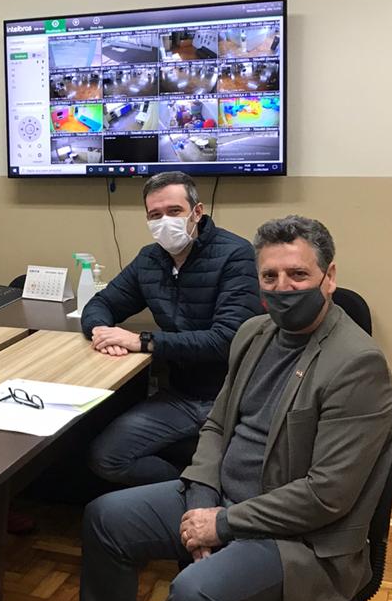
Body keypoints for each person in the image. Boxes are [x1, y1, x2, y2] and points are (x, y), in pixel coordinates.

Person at [49, 216, 392, 601]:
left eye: (299, 274)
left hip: (303, 543)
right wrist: (199, 506)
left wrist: (224, 525)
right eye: (271, 276)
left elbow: (327, 497)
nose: (283, 287)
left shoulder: (357, 364)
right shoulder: (255, 334)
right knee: (106, 517)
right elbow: (216, 429)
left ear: (330, 277)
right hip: (222, 502)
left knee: (195, 593)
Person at [82, 171, 261, 486]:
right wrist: (101, 332)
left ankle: (209, 500)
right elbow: (101, 304)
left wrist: (144, 341)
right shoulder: (150, 259)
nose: (165, 221)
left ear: (197, 212)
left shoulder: (236, 254)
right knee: (106, 457)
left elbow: (228, 339)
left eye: (174, 212)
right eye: (155, 215)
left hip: (231, 398)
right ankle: (186, 494)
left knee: (245, 477)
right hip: (179, 396)